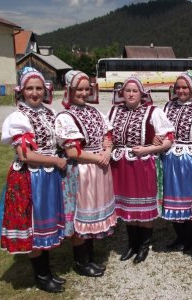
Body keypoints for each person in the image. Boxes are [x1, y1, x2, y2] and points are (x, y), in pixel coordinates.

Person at [0, 67, 66, 293]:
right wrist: (56, 162)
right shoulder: (18, 117)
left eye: (38, 88)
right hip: (31, 177)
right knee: (34, 225)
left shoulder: (50, 113)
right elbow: (24, 155)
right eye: (30, 88)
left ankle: (46, 270)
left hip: (47, 176)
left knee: (45, 224)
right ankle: (41, 275)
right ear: (22, 91)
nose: (35, 93)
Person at [55, 70, 117, 277]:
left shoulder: (95, 112)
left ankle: (89, 256)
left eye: (85, 89)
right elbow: (72, 151)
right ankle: (82, 262)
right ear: (70, 91)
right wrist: (99, 157)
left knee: (93, 214)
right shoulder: (65, 117)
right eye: (78, 89)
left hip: (99, 168)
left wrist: (107, 151)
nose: (83, 93)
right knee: (80, 216)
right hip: (81, 172)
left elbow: (108, 136)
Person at [109, 77, 174, 264]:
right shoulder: (115, 111)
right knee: (128, 206)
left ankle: (144, 246)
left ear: (142, 94)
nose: (130, 94)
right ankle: (132, 244)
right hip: (121, 165)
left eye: (134, 91)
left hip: (143, 164)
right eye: (127, 91)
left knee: (144, 207)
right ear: (122, 93)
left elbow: (169, 139)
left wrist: (148, 149)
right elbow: (107, 137)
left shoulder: (153, 112)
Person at [157, 71, 192, 252]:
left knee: (189, 198)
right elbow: (161, 130)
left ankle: (190, 238)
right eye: (178, 87)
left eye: (185, 87)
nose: (181, 90)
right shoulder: (168, 106)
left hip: (190, 159)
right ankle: (179, 236)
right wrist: (157, 139)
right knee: (171, 197)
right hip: (169, 157)